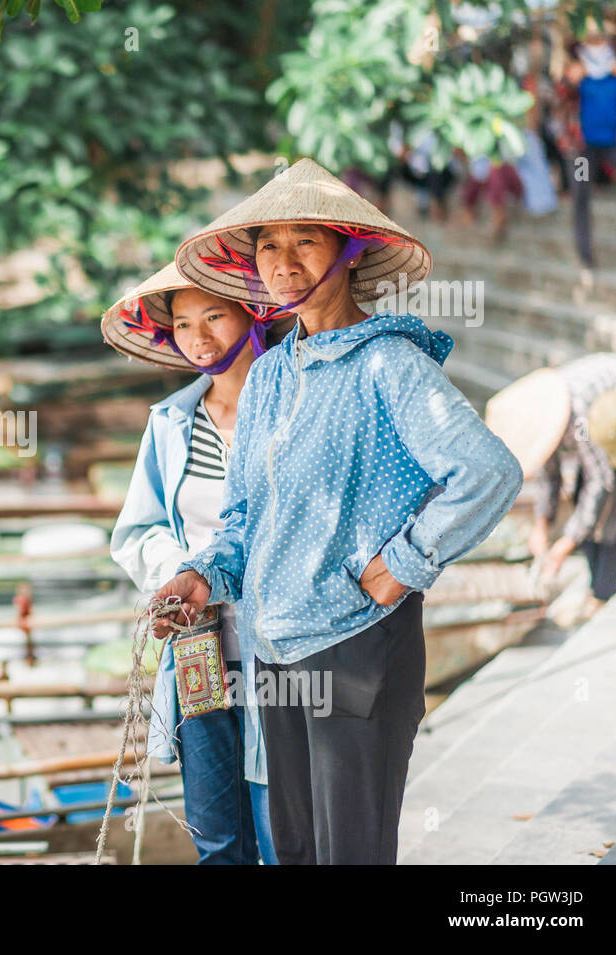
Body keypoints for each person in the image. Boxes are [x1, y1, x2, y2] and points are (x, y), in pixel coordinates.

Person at [152, 157, 523, 865]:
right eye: (268, 244)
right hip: (277, 650)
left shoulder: (389, 364)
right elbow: (242, 520)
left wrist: (402, 566)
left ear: (349, 252)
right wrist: (201, 577)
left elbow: (487, 471)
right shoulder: (266, 377)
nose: (283, 262)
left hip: (359, 646)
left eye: (306, 241)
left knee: (350, 853)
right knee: (293, 850)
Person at [104, 260, 294, 865]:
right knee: (214, 828)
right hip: (199, 643)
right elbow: (140, 528)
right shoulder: (170, 424)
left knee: (282, 823)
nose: (199, 336)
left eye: (214, 315)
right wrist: (182, 570)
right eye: (183, 324)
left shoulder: (297, 404)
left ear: (253, 312)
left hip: (287, 641)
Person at [486, 355, 616, 613]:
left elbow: (602, 481)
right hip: (601, 429)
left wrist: (565, 543)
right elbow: (549, 476)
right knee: (581, 498)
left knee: (615, 504)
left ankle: (603, 594)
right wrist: (541, 526)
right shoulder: (543, 419)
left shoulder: (580, 414)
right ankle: (596, 587)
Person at [569, 17, 616, 268]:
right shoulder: (576, 72)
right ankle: (585, 255)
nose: (597, 44)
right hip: (586, 150)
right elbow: (560, 97)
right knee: (581, 194)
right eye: (593, 40)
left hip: (614, 145)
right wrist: (571, 81)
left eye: (600, 39)